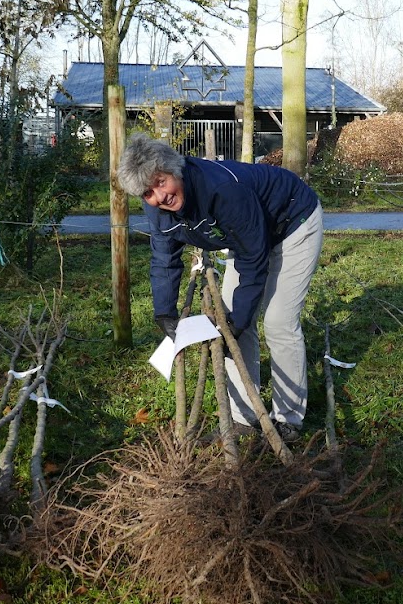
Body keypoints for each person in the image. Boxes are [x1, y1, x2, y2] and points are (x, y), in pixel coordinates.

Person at [117, 134, 324, 443]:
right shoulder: (158, 210)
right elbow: (164, 257)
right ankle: (244, 418)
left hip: (292, 224)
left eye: (161, 182)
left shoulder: (222, 190)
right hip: (248, 237)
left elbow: (254, 259)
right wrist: (164, 312)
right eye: (148, 192)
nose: (159, 196)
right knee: (227, 321)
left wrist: (238, 322)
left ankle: (288, 419)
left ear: (174, 169)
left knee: (278, 322)